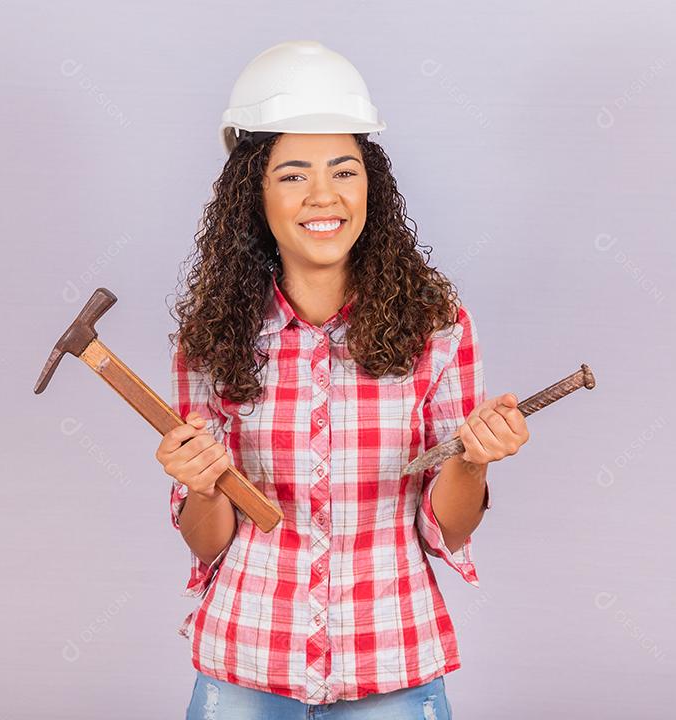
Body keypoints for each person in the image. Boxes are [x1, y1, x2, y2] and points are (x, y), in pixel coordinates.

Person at [154, 40, 530, 719]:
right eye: (293, 174)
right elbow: (208, 541)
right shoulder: (211, 341)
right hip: (247, 663)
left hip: (391, 662)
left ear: (371, 185)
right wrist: (201, 484)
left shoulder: (438, 329)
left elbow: (447, 529)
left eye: (344, 171)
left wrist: (471, 461)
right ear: (254, 194)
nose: (323, 196)